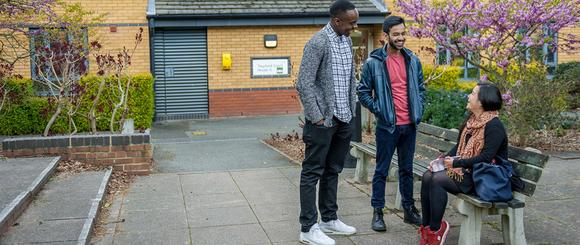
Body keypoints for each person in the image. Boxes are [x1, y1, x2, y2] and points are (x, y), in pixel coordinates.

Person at [295, 0, 359, 244]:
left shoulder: (347, 40)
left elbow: (350, 78)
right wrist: (317, 117)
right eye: (351, 23)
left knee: (333, 170)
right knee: (312, 173)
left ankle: (329, 219)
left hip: (344, 119)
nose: (354, 27)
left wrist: (352, 110)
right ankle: (308, 228)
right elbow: (304, 82)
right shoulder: (318, 42)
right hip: (323, 121)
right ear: (337, 20)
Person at [357, 15, 425, 232]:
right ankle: (378, 212)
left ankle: (409, 210)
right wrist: (379, 110)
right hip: (387, 126)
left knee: (406, 170)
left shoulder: (413, 60)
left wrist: (419, 109)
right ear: (386, 36)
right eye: (396, 34)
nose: (401, 37)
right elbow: (363, 92)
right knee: (382, 170)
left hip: (409, 125)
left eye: (403, 33)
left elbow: (421, 88)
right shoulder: (374, 62)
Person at [418, 82, 507, 245]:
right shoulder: (471, 121)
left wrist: (457, 163)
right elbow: (458, 147)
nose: (469, 96)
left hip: (483, 177)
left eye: (473, 93)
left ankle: (437, 230)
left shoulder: (494, 126)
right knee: (427, 175)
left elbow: (486, 157)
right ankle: (427, 227)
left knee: (437, 180)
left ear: (482, 101)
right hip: (467, 171)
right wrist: (442, 160)